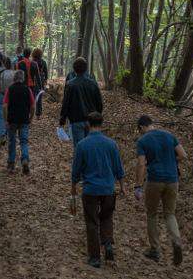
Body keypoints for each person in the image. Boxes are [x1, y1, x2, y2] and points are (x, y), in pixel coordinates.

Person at [70, 111, 124, 268]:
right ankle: (107, 245)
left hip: (90, 189)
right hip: (108, 188)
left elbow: (76, 169)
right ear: (102, 124)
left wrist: (73, 186)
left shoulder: (82, 145)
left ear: (88, 124)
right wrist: (122, 186)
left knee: (92, 221)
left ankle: (94, 257)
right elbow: (118, 167)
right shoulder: (111, 144)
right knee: (107, 217)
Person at [134, 115, 186, 265]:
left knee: (152, 214)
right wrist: (170, 160)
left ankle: (155, 250)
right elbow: (183, 155)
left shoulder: (142, 141)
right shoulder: (169, 136)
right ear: (152, 124)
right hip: (172, 180)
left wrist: (138, 185)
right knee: (170, 214)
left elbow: (141, 164)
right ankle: (176, 241)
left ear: (142, 127)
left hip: (155, 181)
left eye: (140, 130)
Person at [59, 57, 103, 146]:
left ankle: (80, 160)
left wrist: (62, 119)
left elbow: (66, 103)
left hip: (76, 121)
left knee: (79, 147)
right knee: (90, 147)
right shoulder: (93, 84)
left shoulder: (70, 84)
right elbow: (99, 103)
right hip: (92, 121)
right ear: (86, 68)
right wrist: (98, 116)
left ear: (74, 69)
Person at [4, 69, 34, 174]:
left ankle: (11, 164)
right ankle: (25, 160)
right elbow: (32, 105)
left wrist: (6, 119)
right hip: (24, 119)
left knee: (12, 141)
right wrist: (31, 117)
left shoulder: (10, 89)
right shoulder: (27, 89)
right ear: (23, 78)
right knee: (24, 141)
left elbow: (5, 106)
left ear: (14, 78)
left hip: (12, 119)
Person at [0, 59, 17, 145]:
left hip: (2, 95)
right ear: (11, 65)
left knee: (1, 116)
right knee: (10, 115)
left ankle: (2, 134)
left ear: (4, 64)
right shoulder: (14, 74)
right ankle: (9, 134)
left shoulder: (0, 72)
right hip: (12, 97)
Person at [31, 47, 48, 117]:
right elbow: (46, 72)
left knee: (32, 96)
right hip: (41, 80)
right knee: (39, 97)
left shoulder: (32, 62)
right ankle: (38, 113)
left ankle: (31, 111)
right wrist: (46, 80)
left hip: (32, 80)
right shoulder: (43, 62)